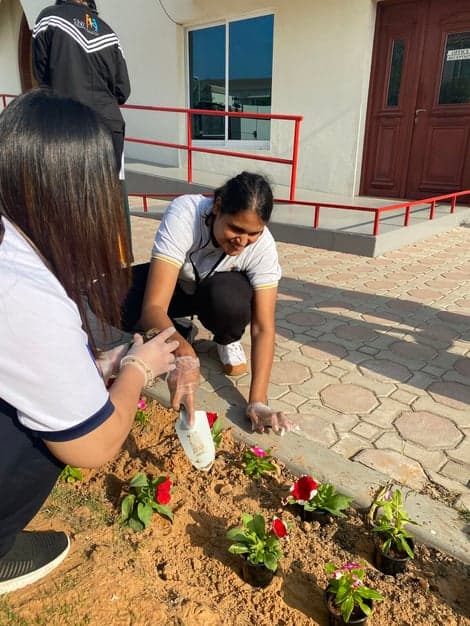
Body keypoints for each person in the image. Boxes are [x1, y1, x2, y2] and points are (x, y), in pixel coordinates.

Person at [0, 89, 178, 595]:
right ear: (77, 192)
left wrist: (96, 365)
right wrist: (139, 369)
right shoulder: (25, 292)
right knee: (58, 427)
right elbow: (94, 445)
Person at [127, 172, 297, 435]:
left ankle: (226, 339)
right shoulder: (186, 213)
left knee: (229, 297)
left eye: (253, 233)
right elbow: (154, 306)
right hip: (178, 286)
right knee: (111, 296)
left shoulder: (263, 247)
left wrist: (258, 402)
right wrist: (185, 353)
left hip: (217, 296)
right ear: (217, 207)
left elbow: (263, 327)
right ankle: (180, 332)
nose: (242, 241)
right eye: (236, 229)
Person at [32, 0, 133, 255]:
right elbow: (123, 90)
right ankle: (118, 260)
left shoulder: (49, 18)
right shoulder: (108, 31)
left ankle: (71, 263)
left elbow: (40, 73)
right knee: (110, 193)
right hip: (109, 125)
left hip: (67, 121)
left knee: (66, 194)